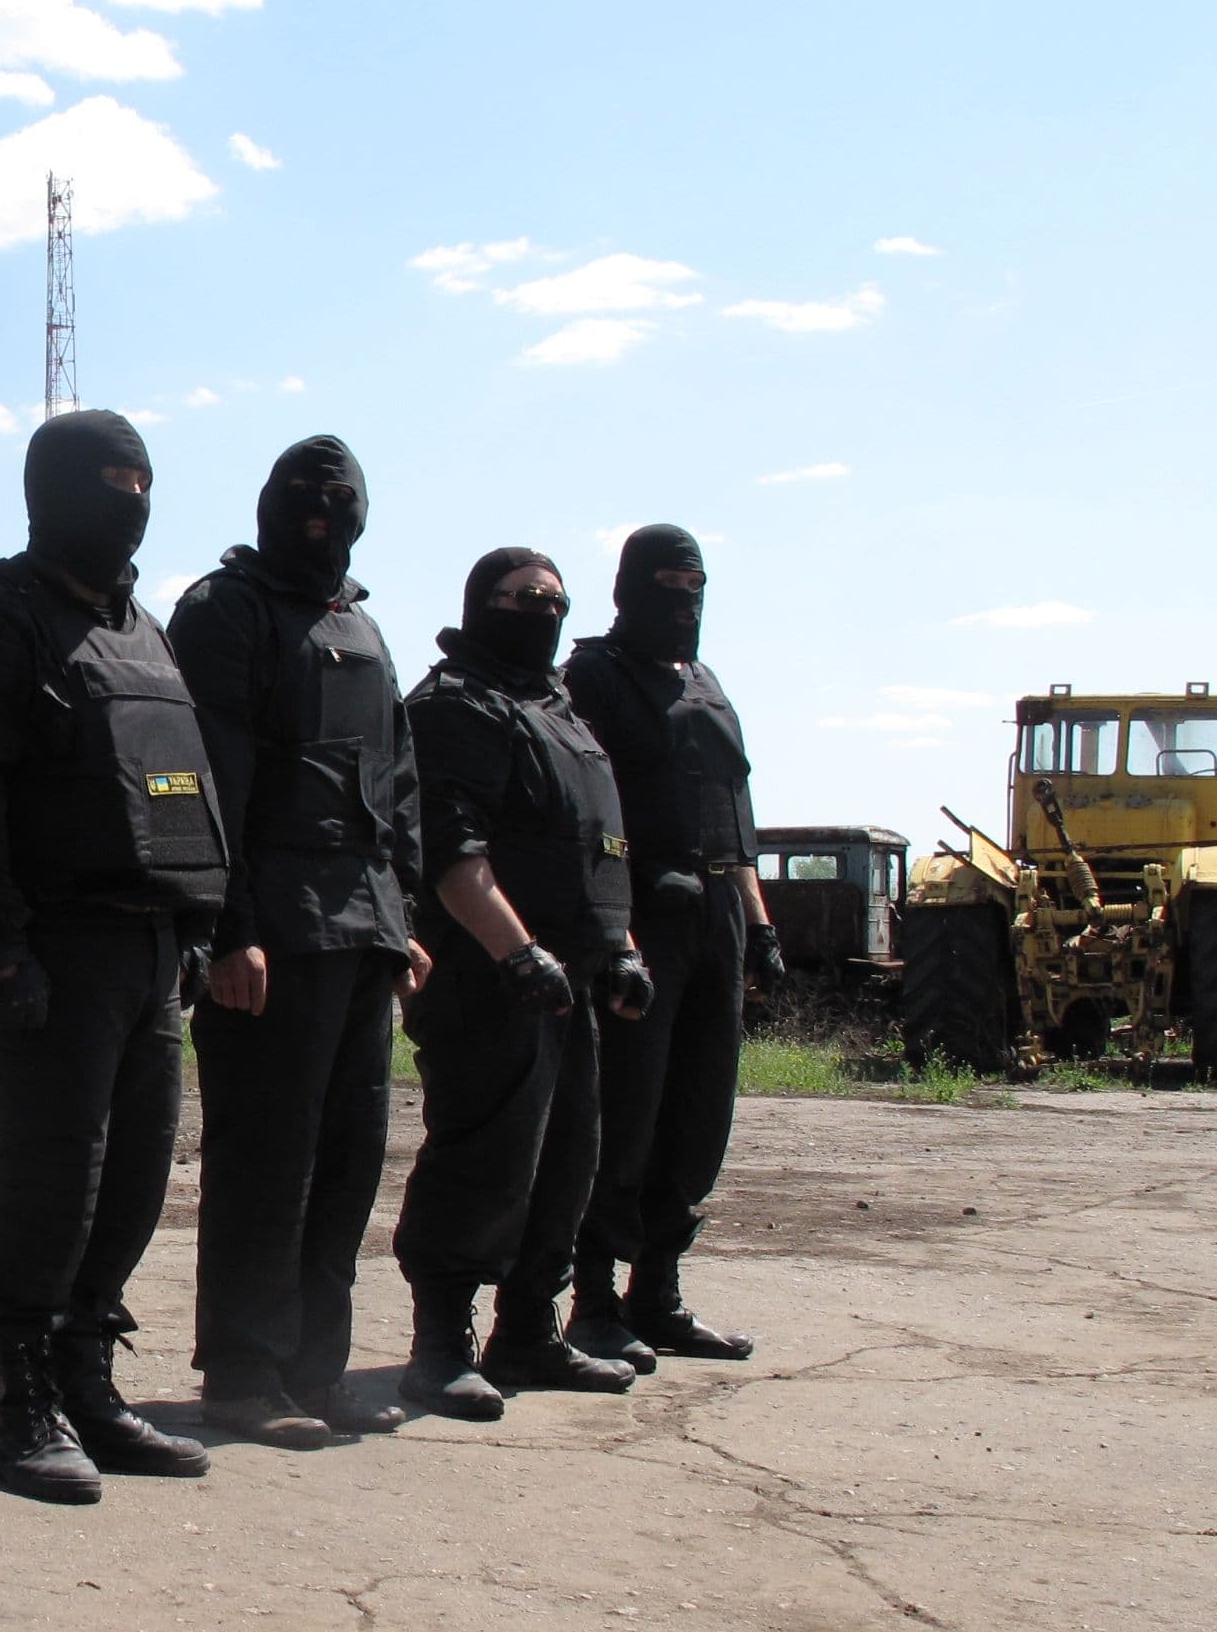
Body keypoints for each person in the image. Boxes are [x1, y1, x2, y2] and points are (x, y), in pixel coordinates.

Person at [0, 410, 225, 1502]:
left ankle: (87, 1376)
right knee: (54, 1175)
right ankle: (23, 1400)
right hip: (54, 943)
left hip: (151, 947)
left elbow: (182, 785)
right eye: (108, 481)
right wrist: (1, 946)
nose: (130, 500)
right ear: (49, 490)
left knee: (136, 1178)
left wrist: (196, 927)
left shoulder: (142, 630)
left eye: (143, 481)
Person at [169, 437, 427, 1449]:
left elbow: (395, 779)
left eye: (341, 499)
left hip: (361, 929)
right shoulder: (224, 611)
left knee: (344, 1161)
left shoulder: (357, 622)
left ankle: (318, 1370)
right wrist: (227, 926)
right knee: (266, 1162)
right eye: (302, 498)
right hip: (270, 930)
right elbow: (207, 776)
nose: (323, 513)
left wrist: (402, 921)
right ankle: (242, 1373)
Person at [389, 550, 652, 1422]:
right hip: (485, 976)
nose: (542, 611)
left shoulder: (561, 714)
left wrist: (617, 948)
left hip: (570, 979)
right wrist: (515, 953)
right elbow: (452, 853)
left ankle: (529, 1331)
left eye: (554, 600)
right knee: (483, 1159)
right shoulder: (454, 704)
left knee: (567, 1159)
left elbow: (600, 851)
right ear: (481, 604)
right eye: (522, 598)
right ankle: (440, 1347)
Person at [564, 524, 776, 1370]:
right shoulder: (591, 677)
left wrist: (758, 924)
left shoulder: (706, 684)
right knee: (626, 1111)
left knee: (697, 1115)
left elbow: (733, 818)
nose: (681, 602)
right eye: (663, 586)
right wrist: (610, 929)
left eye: (694, 586)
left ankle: (657, 1293)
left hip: (715, 913)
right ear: (625, 590)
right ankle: (589, 1302)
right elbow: (585, 812)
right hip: (639, 911)